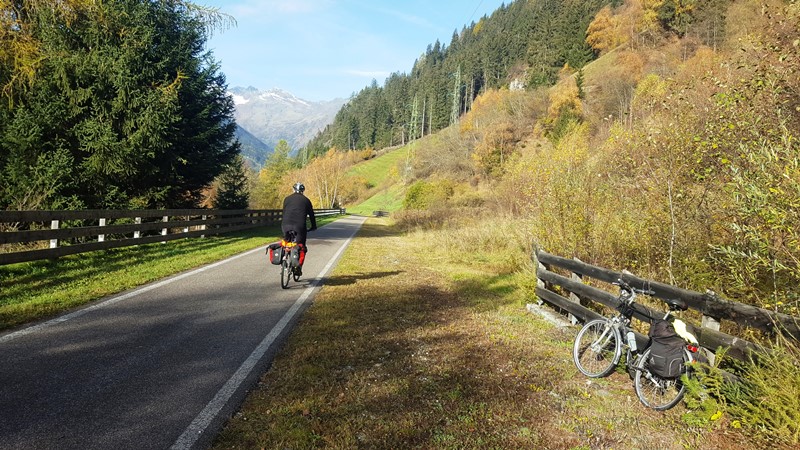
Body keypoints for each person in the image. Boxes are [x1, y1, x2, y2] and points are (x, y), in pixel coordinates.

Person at [281, 182, 316, 274]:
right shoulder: (306, 200)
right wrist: (313, 226)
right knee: (301, 246)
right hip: (299, 226)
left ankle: (284, 257)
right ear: (303, 191)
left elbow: (284, 212)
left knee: (286, 242)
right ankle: (298, 267)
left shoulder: (287, 199)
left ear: (293, 190)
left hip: (285, 225)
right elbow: (312, 215)